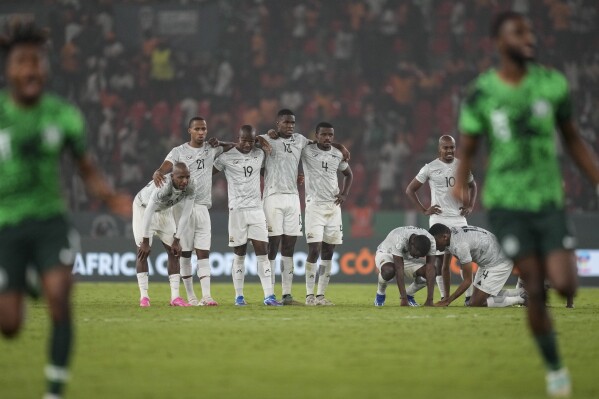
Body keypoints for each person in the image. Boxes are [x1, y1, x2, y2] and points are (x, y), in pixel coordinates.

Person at [453, 11, 599, 397]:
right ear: (500, 42)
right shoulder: (481, 92)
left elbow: (572, 138)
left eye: (530, 31)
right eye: (519, 32)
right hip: (507, 203)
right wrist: (459, 181)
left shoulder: (552, 84)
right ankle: (555, 371)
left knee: (567, 285)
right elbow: (468, 145)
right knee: (535, 286)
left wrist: (597, 178)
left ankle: (545, 295)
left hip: (548, 199)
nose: (528, 37)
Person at [0, 22, 131, 399]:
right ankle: (25, 279)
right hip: (6, 225)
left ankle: (54, 390)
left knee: (59, 295)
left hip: (49, 221)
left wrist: (109, 198)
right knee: (9, 326)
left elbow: (85, 167)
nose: (30, 69)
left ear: (46, 68)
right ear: (9, 70)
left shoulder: (64, 115)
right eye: (21, 61)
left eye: (36, 62)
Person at [260, 109, 349, 305]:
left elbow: (322, 144)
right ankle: (269, 294)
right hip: (273, 196)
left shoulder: (300, 141)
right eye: (286, 122)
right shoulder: (267, 138)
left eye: (292, 122)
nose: (290, 125)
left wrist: (339, 146)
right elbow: (251, 140)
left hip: (293, 198)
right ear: (277, 123)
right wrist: (266, 135)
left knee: (289, 246)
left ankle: (286, 294)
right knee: (273, 244)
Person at [152, 117, 231, 306]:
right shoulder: (179, 151)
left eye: (204, 128)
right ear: (190, 130)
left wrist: (220, 142)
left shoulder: (211, 149)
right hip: (181, 207)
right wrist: (158, 172)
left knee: (204, 253)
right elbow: (165, 166)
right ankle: (191, 296)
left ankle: (207, 296)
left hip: (203, 207)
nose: (202, 132)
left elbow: (238, 146)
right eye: (197, 129)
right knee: (185, 254)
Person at [213, 125, 281, 306]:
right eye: (244, 140)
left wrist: (261, 139)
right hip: (237, 211)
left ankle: (269, 296)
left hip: (257, 210)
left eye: (251, 141)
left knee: (263, 253)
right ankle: (239, 296)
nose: (248, 144)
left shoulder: (259, 154)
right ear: (238, 138)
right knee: (239, 254)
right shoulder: (226, 157)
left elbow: (270, 150)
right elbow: (208, 171)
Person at [406, 135, 477, 305]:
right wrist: (424, 210)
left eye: (452, 147)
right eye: (446, 147)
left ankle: (469, 297)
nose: (449, 150)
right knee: (440, 261)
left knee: (464, 258)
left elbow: (473, 185)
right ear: (440, 149)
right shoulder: (429, 168)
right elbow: (410, 190)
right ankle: (444, 297)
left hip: (459, 219)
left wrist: (471, 206)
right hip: (439, 220)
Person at [301, 122, 353, 306]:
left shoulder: (337, 154)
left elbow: (349, 174)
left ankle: (321, 296)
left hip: (333, 207)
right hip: (314, 206)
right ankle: (309, 295)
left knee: (329, 251)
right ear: (316, 135)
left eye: (330, 135)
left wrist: (345, 193)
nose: (327, 138)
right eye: (323, 134)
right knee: (314, 249)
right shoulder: (306, 150)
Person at [134, 162, 196, 308]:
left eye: (187, 177)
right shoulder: (163, 186)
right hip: (143, 209)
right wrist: (145, 240)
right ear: (172, 176)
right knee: (143, 252)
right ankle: (144, 297)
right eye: (181, 177)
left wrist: (177, 239)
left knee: (175, 252)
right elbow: (149, 211)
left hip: (164, 210)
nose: (185, 181)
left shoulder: (191, 186)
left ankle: (175, 297)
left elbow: (185, 214)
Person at [428, 223, 526, 307]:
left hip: (499, 260)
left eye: (435, 242)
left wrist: (449, 300)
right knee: (483, 297)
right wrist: (446, 297)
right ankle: (521, 292)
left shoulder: (460, 246)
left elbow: (467, 280)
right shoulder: (449, 236)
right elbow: (445, 268)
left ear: (444, 237)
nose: (435, 247)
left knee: (476, 303)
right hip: (488, 260)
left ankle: (522, 299)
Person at [373, 226, 439, 307]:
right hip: (387, 253)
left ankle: (409, 294)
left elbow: (430, 268)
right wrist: (403, 299)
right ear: (412, 244)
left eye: (420, 256)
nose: (417, 257)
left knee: (431, 272)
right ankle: (380, 292)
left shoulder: (431, 240)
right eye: (416, 254)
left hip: (406, 258)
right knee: (389, 271)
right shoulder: (400, 239)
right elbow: (399, 269)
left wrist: (430, 299)